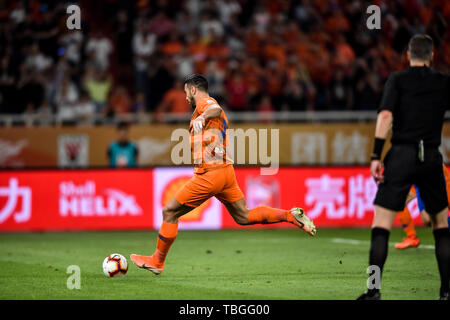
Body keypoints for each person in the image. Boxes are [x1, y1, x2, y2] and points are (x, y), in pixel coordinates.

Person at [130, 74, 316, 275]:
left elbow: (214, 109)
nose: (185, 97)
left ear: (193, 89)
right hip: (226, 172)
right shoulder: (204, 109)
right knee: (243, 216)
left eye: (185, 92)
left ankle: (157, 261)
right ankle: (289, 215)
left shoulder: (206, 103)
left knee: (170, 212)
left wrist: (202, 116)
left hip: (210, 174)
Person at [358, 34, 450, 300]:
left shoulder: (397, 80)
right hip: (431, 156)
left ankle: (374, 290)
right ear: (432, 56)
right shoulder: (443, 82)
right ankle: (446, 291)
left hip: (401, 154)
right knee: (441, 225)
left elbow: (385, 115)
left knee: (381, 225)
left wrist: (376, 154)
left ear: (409, 55)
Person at [395, 164, 450, 250]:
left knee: (431, 219)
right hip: (419, 177)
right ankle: (411, 237)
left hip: (435, 172)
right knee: (399, 201)